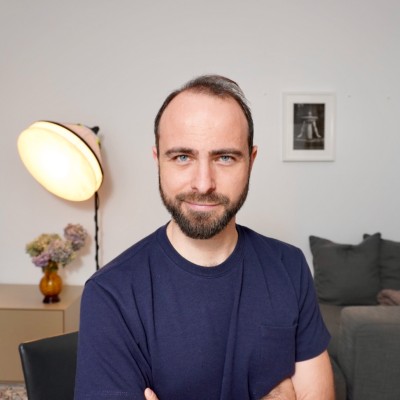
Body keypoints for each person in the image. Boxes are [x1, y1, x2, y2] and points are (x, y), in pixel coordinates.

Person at [74, 75, 334, 400]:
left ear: (251, 161)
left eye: (225, 157)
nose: (203, 183)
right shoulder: (110, 293)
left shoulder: (290, 267)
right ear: (158, 160)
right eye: (182, 157)